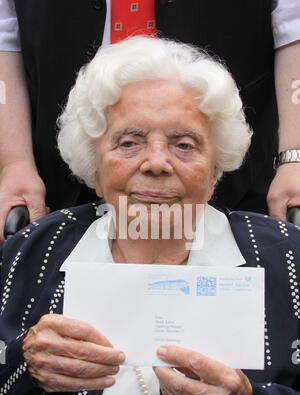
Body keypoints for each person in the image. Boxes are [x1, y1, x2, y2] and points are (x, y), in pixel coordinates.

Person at [0, 36, 299, 395]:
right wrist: (25, 373)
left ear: (216, 169)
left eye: (184, 145)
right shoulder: (29, 254)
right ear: (95, 164)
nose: (156, 163)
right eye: (129, 142)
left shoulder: (286, 257)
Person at [0, 1, 300, 243]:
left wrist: (294, 156)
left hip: (231, 185)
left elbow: (294, 28)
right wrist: (14, 162)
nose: (155, 163)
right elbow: (5, 37)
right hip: (56, 182)